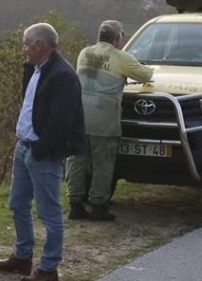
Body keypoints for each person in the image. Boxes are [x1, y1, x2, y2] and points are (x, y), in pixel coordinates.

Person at [0, 23, 85, 281]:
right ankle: (22, 256)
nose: (24, 49)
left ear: (39, 45)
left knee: (49, 212)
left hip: (43, 153)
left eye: (26, 43)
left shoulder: (63, 76)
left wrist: (41, 150)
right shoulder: (36, 69)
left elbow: (61, 121)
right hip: (24, 148)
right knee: (18, 203)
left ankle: (49, 269)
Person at [66, 20, 154, 221]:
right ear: (117, 38)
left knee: (76, 161)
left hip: (79, 117)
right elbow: (146, 75)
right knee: (103, 164)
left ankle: (75, 205)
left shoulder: (84, 53)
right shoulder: (121, 58)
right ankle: (98, 206)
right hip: (104, 119)